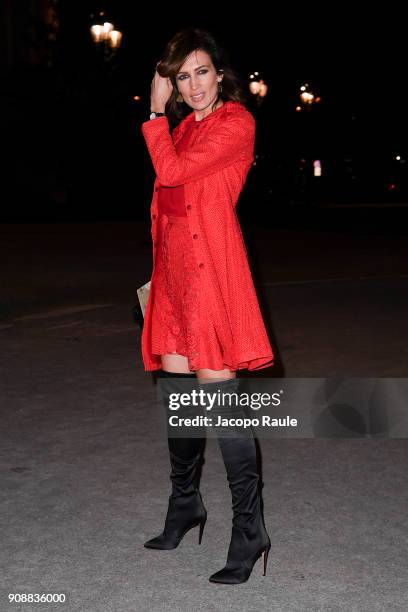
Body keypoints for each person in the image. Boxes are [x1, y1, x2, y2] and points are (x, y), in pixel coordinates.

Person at [140, 27, 274, 584]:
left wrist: (152, 115)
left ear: (219, 73)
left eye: (201, 72)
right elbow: (166, 208)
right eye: (181, 76)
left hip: (211, 279)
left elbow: (170, 174)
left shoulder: (236, 123)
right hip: (173, 282)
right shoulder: (185, 129)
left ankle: (251, 529)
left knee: (222, 411)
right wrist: (154, 281)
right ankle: (185, 504)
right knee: (179, 405)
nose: (192, 85)